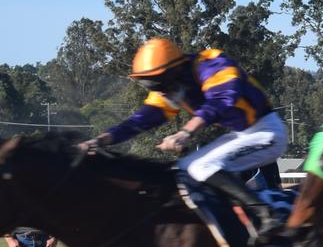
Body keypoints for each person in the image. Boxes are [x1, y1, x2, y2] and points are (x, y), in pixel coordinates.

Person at [79, 38, 288, 234]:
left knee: (201, 166)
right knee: (183, 168)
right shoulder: (172, 88)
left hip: (267, 132)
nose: (157, 92)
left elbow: (220, 102)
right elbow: (139, 121)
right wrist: (99, 141)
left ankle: (268, 214)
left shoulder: (211, 62)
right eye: (148, 84)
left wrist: (185, 133)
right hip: (241, 135)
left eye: (157, 84)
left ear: (174, 72)